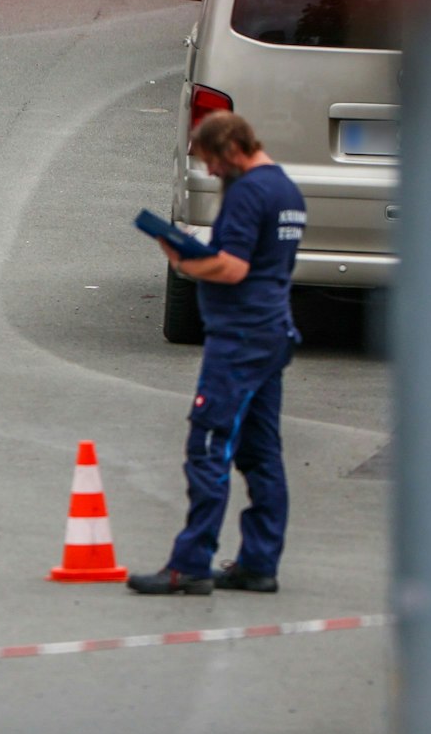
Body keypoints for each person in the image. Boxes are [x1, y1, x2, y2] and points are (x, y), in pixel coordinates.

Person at [130, 112, 307, 596]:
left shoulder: (250, 192)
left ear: (230, 149)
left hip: (241, 339)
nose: (209, 172)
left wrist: (182, 256)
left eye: (210, 161)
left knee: (207, 446)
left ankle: (190, 563)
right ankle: (259, 562)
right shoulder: (286, 191)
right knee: (261, 454)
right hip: (272, 333)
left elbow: (232, 268)